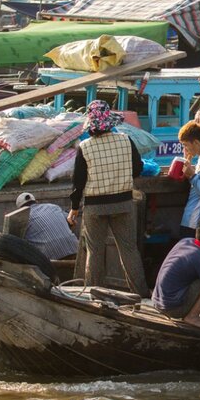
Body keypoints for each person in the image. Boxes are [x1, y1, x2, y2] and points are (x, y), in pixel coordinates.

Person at [68, 100, 150, 298]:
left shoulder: (85, 147)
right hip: (123, 203)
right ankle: (141, 294)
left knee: (95, 252)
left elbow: (79, 182)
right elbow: (138, 168)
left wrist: (74, 208)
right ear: (110, 122)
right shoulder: (125, 140)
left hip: (95, 207)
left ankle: (93, 295)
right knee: (129, 250)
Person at [16, 192, 78, 260]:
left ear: (20, 209)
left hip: (50, 259)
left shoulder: (22, 218)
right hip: (75, 249)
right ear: (36, 201)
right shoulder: (53, 207)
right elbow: (72, 221)